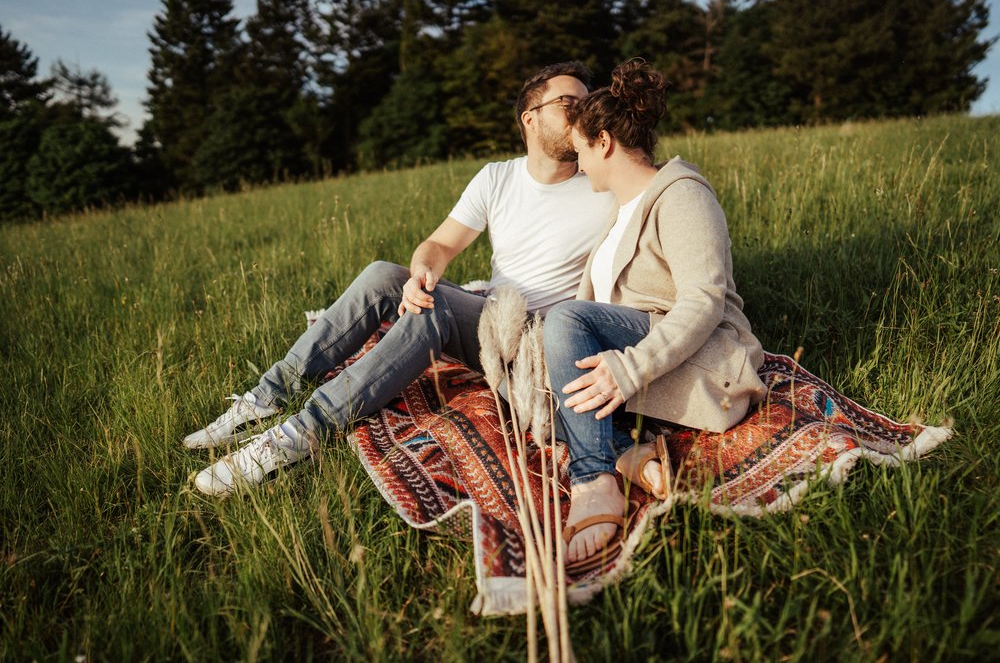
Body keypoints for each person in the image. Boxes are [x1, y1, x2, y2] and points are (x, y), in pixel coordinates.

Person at [187, 61, 616, 497]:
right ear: (530, 117)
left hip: (537, 339)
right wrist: (421, 275)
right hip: (490, 317)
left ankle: (299, 435)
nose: (585, 112)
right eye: (569, 102)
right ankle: (268, 396)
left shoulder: (603, 182)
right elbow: (440, 245)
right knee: (383, 275)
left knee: (437, 309)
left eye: (589, 101)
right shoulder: (497, 177)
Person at [543, 59, 767, 573]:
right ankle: (631, 456)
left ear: (603, 142)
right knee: (530, 384)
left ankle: (596, 480)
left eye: (579, 151)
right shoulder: (618, 214)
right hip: (638, 358)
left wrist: (628, 369)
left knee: (564, 323)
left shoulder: (682, 193)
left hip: (696, 358)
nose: (578, 166)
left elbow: (703, 299)